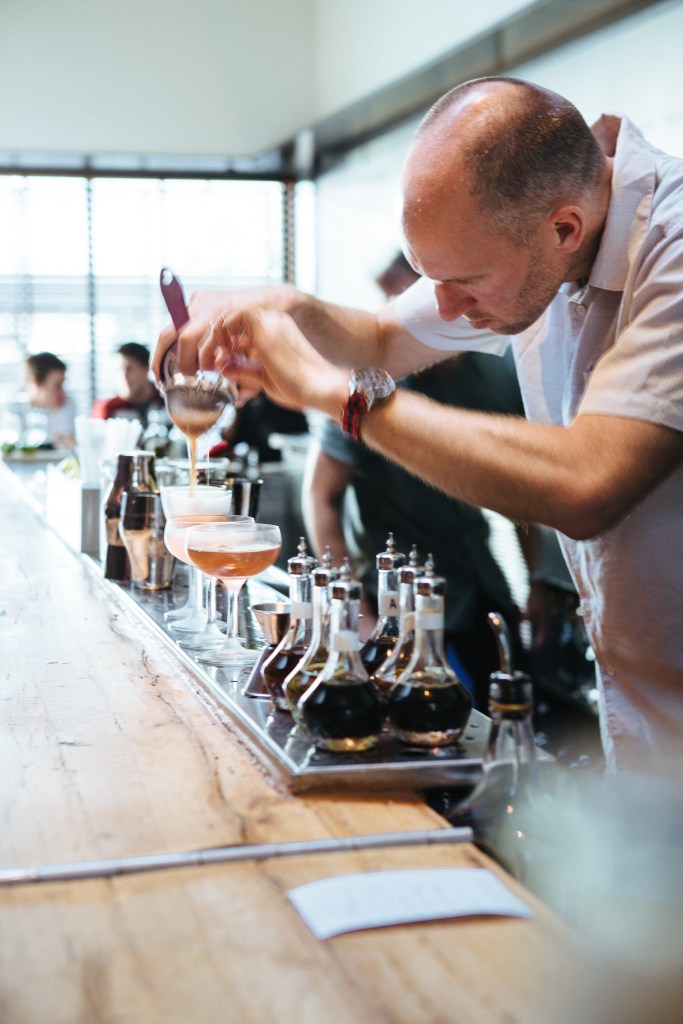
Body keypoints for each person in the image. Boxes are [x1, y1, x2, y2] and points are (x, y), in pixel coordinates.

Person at [154, 77, 683, 773]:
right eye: (429, 277)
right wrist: (278, 308)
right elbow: (379, 338)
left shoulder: (667, 248)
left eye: (464, 281)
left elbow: (587, 480)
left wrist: (333, 393)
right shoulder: (543, 239)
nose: (446, 307)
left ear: (563, 228)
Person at [304, 252, 531, 702]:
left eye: (406, 301)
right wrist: (355, 612)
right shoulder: (364, 388)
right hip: (396, 598)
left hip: (480, 584)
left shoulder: (499, 375)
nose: (399, 322)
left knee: (512, 717)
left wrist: (540, 580)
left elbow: (528, 487)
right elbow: (321, 497)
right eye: (389, 302)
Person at [92, 342, 165, 428]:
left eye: (129, 369)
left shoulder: (167, 402)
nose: (124, 376)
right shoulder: (108, 409)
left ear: (146, 368)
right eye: (118, 370)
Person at [23, 351, 76, 447]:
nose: (63, 393)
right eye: (58, 386)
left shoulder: (65, 404)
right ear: (37, 383)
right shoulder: (12, 413)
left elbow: (68, 445)